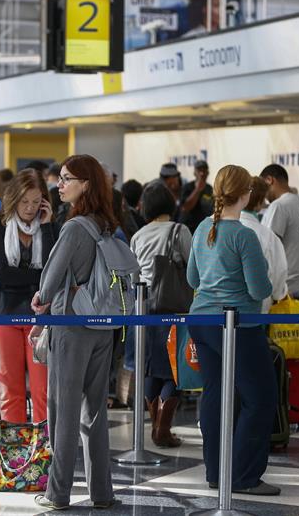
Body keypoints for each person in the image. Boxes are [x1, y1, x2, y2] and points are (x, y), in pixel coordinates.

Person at [30, 154, 119, 510]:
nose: (59, 185)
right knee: (95, 410)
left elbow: (48, 283)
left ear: (85, 185)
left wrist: (41, 299)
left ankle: (58, 492)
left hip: (71, 324)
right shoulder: (107, 223)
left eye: (67, 179)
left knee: (62, 411)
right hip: (104, 325)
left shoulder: (73, 227)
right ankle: (101, 492)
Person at [186, 165, 279, 496]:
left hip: (202, 321)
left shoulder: (201, 229)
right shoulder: (243, 235)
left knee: (215, 394)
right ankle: (243, 476)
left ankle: (216, 472)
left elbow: (193, 281)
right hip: (238, 324)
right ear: (246, 194)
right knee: (261, 398)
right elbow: (258, 289)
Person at [0, 169, 56, 423]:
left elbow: (51, 271)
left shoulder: (48, 227)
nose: (30, 208)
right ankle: (13, 449)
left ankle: (42, 450)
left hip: (39, 316)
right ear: (13, 198)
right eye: (25, 201)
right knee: (10, 389)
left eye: (36, 202)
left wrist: (46, 228)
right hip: (2, 313)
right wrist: (37, 277)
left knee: (43, 389)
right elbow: (1, 273)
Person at [129, 179, 192, 448]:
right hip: (172, 309)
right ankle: (162, 429)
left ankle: (156, 424)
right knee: (174, 371)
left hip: (142, 309)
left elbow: (132, 274)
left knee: (150, 369)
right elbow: (193, 269)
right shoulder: (180, 231)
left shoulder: (138, 235)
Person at [260, 164, 299, 299]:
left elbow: (267, 249)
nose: (264, 195)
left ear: (269, 180)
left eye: (263, 187)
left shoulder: (279, 206)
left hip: (283, 289)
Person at [241, 176, 288, 312]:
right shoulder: (268, 237)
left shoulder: (216, 227)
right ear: (259, 203)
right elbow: (278, 281)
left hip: (216, 315)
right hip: (256, 314)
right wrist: (281, 293)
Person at [178, 160, 214, 235]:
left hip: (204, 230)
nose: (202, 173)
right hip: (188, 229)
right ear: (194, 172)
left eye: (204, 170)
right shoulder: (187, 187)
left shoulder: (210, 189)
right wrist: (197, 190)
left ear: (208, 173)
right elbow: (185, 207)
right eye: (199, 170)